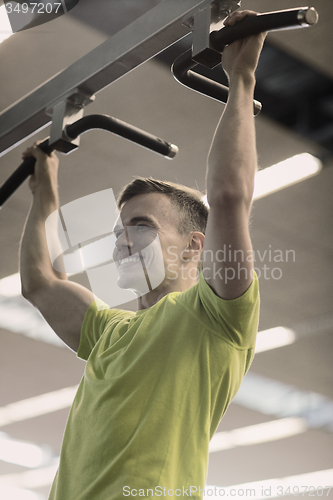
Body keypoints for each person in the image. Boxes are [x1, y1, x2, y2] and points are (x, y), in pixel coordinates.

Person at [20, 10, 265, 500]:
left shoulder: (215, 317)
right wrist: (44, 190)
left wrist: (241, 76)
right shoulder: (109, 331)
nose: (121, 241)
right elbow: (40, 281)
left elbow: (229, 195)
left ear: (197, 245)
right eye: (118, 230)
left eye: (140, 227)